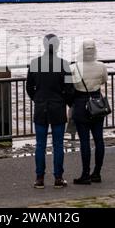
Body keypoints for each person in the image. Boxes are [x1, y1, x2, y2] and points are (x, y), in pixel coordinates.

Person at [26, 34, 74, 189]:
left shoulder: (34, 63)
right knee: (58, 145)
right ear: (58, 46)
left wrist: (37, 99)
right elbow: (69, 89)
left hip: (40, 108)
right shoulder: (64, 65)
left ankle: (39, 179)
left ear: (44, 45)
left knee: (40, 145)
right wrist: (66, 102)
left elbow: (29, 87)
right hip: (58, 108)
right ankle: (58, 178)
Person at [70, 39, 108, 185]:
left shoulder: (74, 67)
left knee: (84, 141)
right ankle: (97, 173)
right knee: (99, 140)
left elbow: (69, 86)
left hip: (80, 104)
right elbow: (104, 80)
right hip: (97, 103)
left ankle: (85, 174)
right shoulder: (101, 66)